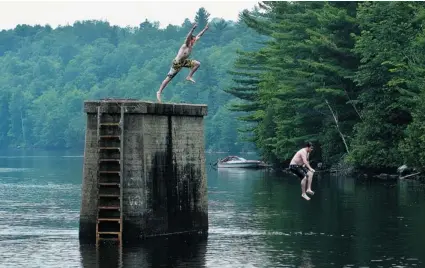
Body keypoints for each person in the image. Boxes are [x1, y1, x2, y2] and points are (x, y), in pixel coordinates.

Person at [156, 22, 209, 103]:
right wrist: (193, 29)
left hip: (183, 62)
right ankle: (159, 91)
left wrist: (205, 29)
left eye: (194, 40)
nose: (194, 41)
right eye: (193, 40)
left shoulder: (192, 43)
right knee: (169, 78)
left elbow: (199, 35)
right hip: (177, 63)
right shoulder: (186, 45)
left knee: (197, 64)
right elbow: (188, 37)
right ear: (190, 40)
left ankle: (189, 76)